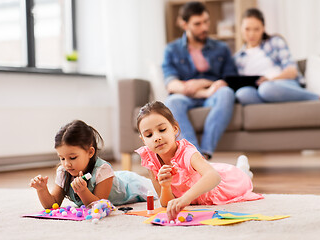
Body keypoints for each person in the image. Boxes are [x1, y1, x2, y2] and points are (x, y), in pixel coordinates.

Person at [135, 101, 263, 221]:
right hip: (201, 175)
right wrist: (166, 186)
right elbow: (165, 203)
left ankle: (243, 169)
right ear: (143, 139)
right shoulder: (150, 159)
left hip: (219, 186)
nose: (157, 138)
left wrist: (185, 198)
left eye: (162, 130)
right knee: (205, 168)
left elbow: (214, 177)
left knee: (243, 179)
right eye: (149, 135)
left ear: (174, 129)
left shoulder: (186, 152)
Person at [162, 1, 238, 160]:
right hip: (186, 97)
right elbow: (171, 83)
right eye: (197, 24)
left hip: (214, 94)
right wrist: (204, 89)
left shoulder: (221, 48)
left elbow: (229, 79)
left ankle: (205, 154)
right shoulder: (172, 49)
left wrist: (204, 86)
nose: (204, 27)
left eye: (206, 21)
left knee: (226, 93)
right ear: (184, 24)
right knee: (172, 101)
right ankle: (194, 155)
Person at [30, 120, 155, 208]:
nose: (66, 164)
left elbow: (99, 205)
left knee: (158, 190)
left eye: (72, 157)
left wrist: (83, 191)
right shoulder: (63, 172)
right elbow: (53, 204)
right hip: (111, 180)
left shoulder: (103, 170)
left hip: (131, 187)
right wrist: (42, 190)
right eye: (62, 158)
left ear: (90, 152)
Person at [233, 8, 320, 104]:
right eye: (247, 29)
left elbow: (292, 71)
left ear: (263, 28)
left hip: (282, 84)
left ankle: (318, 98)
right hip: (256, 89)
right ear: (241, 28)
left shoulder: (275, 42)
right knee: (243, 94)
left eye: (256, 29)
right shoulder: (238, 57)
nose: (251, 34)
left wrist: (270, 79)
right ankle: (274, 100)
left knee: (266, 89)